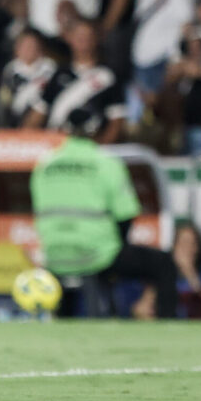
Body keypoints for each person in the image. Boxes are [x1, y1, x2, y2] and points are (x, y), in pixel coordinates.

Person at [30, 133, 178, 318]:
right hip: (98, 256)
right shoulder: (105, 163)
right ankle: (167, 326)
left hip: (54, 257)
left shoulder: (45, 165)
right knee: (164, 264)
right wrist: (118, 246)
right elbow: (126, 215)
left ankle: (63, 317)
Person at [25, 18, 126, 144]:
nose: (83, 40)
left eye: (87, 35)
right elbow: (37, 114)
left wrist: (99, 150)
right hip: (57, 146)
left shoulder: (109, 77)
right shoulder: (57, 74)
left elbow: (116, 122)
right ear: (70, 39)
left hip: (91, 148)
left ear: (96, 39)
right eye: (78, 35)